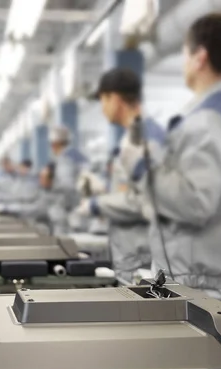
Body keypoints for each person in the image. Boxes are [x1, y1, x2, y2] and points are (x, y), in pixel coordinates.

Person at [118, 14, 221, 308]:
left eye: (185, 54)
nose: (184, 62)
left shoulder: (207, 121)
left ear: (200, 57)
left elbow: (194, 202)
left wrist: (141, 167)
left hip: (197, 283)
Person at [74, 67, 166, 282]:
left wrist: (98, 204)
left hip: (140, 257)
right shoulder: (133, 138)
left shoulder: (144, 141)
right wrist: (104, 190)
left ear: (115, 99)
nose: (103, 108)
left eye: (103, 100)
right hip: (130, 254)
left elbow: (146, 202)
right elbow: (133, 190)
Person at [49, 126, 88, 234]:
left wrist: (51, 187)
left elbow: (67, 186)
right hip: (83, 211)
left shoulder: (65, 158)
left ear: (55, 143)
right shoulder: (79, 156)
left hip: (69, 216)